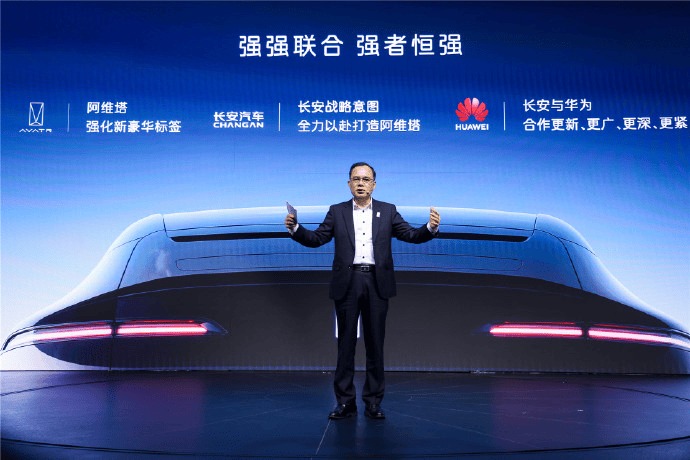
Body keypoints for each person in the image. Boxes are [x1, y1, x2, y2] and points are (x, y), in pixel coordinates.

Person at [285, 162, 440, 420]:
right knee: (345, 345)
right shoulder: (337, 211)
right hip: (348, 282)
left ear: (374, 185)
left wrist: (430, 228)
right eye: (356, 179)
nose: (360, 183)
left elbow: (411, 235)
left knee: (375, 345)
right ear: (349, 184)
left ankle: (373, 403)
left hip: (377, 282)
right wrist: (295, 229)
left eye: (365, 179)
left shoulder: (388, 211)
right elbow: (318, 239)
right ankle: (345, 403)